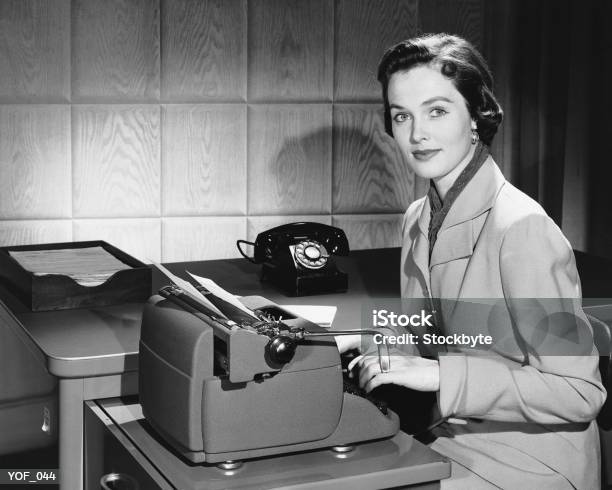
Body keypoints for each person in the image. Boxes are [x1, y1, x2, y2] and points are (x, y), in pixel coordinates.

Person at [336, 34, 606, 489]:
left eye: (437, 111)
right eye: (402, 115)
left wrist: (441, 373)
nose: (416, 134)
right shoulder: (417, 217)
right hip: (450, 434)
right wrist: (368, 340)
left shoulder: (523, 228)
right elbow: (433, 336)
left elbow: (580, 392)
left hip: (532, 459)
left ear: (477, 118)